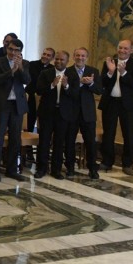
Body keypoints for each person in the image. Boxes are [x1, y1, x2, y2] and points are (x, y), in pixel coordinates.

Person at [0, 38, 30, 182]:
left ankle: (12, 170)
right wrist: (11, 71)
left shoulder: (24, 63)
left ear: (20, 52)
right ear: (7, 48)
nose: (13, 52)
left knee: (15, 139)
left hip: (17, 105)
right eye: (10, 49)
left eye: (16, 50)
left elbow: (26, 80)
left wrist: (20, 69)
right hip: (2, 104)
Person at [99, 39, 133, 175]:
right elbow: (103, 83)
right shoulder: (109, 63)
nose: (122, 51)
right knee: (108, 133)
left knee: (129, 134)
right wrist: (111, 72)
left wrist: (123, 72)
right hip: (110, 103)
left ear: (131, 50)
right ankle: (107, 161)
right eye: (120, 48)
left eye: (125, 48)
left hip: (129, 105)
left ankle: (127, 164)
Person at [33, 51, 78, 180]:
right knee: (44, 141)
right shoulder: (45, 73)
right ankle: (41, 168)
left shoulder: (72, 75)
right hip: (47, 112)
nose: (58, 61)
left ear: (67, 61)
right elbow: (39, 90)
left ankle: (56, 170)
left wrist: (66, 86)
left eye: (62, 60)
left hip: (63, 114)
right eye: (57, 59)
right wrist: (52, 85)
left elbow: (75, 95)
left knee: (59, 142)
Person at [65, 47, 103, 180]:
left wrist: (91, 83)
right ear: (74, 57)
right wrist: (80, 84)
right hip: (71, 112)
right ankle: (69, 167)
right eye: (77, 55)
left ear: (86, 57)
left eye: (83, 56)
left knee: (90, 142)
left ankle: (92, 168)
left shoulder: (93, 71)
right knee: (69, 141)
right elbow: (67, 92)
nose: (80, 58)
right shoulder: (68, 71)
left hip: (88, 113)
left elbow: (99, 90)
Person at [26, 47, 55, 133]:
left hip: (45, 98)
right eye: (44, 54)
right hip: (30, 96)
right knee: (29, 121)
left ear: (52, 58)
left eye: (48, 55)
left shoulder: (52, 69)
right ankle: (28, 144)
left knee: (44, 123)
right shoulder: (31, 64)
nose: (45, 56)